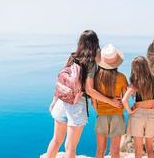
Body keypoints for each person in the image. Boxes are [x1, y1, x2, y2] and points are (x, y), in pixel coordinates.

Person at [42, 30, 123, 158]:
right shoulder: (90, 62)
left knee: (56, 140)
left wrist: (54, 100)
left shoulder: (73, 57)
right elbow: (89, 90)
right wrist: (110, 101)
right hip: (77, 104)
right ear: (95, 43)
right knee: (71, 147)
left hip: (63, 101)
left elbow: (61, 80)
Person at [122, 56, 154, 158]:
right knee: (150, 148)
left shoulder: (135, 83)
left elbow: (124, 100)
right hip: (151, 114)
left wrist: (130, 111)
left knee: (138, 150)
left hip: (137, 116)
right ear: (146, 67)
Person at [92, 43, 128, 158]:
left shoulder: (96, 77)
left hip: (101, 115)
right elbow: (124, 98)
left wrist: (100, 110)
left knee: (100, 151)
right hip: (117, 115)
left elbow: (94, 100)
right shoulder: (121, 77)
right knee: (115, 152)